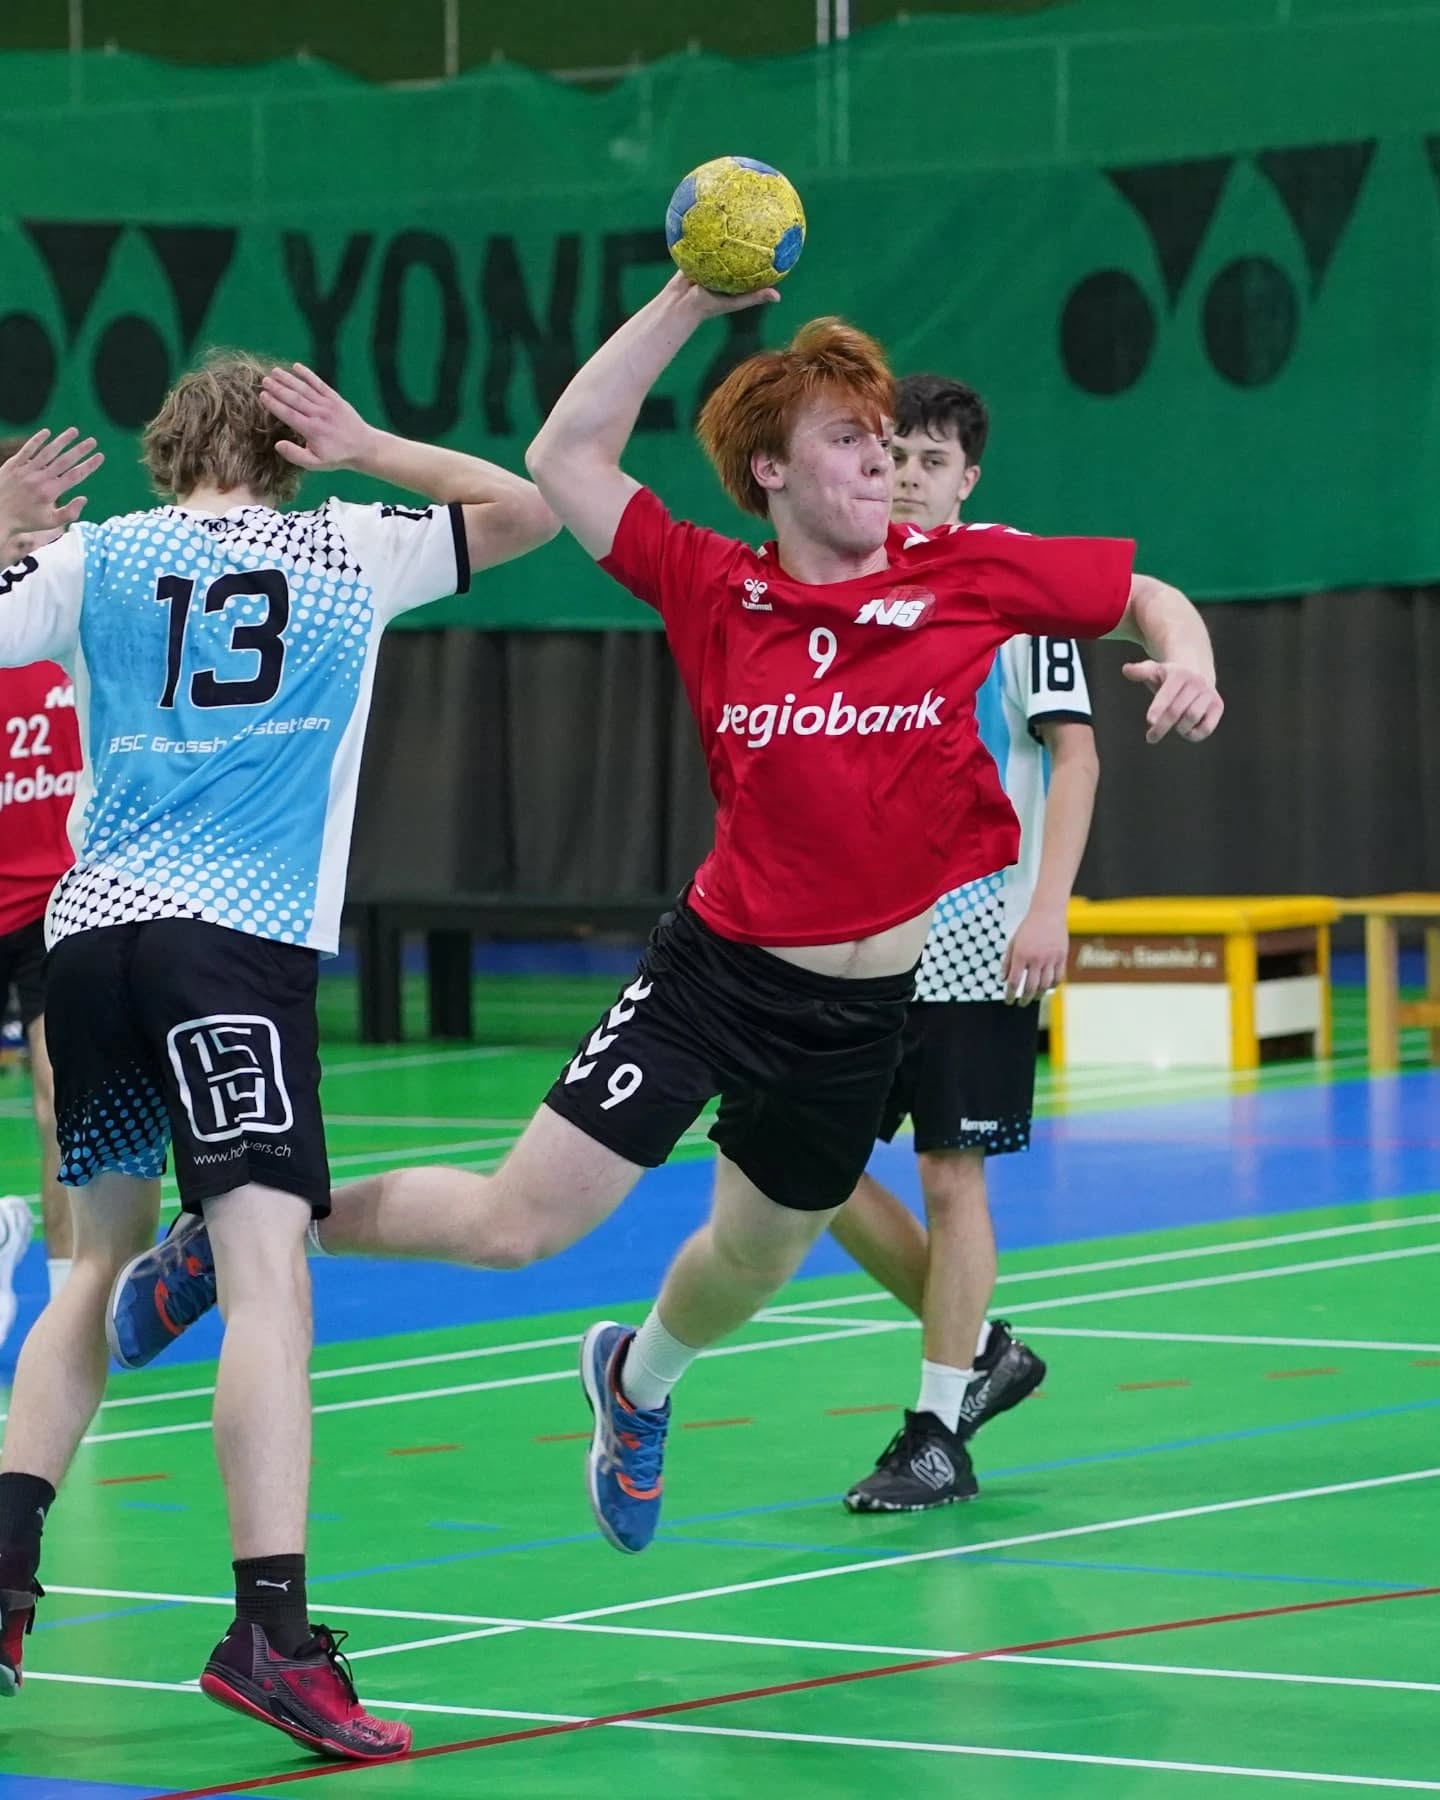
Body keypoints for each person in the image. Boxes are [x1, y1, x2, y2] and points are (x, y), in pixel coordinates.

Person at [108, 279, 1222, 1567]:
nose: (882, 463)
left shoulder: (961, 574)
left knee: (750, 1262)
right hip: (715, 979)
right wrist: (690, 300)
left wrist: (1187, 659)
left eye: (885, 439)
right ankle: (248, 1221)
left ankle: (633, 1385)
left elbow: (1148, 593)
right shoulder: (711, 586)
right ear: (770, 469)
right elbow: (560, 458)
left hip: (862, 1012)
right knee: (514, 1227)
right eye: (849, 441)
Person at [0, 355, 557, 1762]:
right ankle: (273, 1634)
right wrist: (373, 443)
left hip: (90, 950)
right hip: (230, 950)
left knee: (91, 1273)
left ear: (164, 448)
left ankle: (3, 1579)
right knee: (264, 1283)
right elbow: (531, 505)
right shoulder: (345, 544)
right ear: (291, 450)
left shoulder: (96, 553)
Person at [829, 375, 1099, 1512]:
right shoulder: (851, 580)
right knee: (802, 1165)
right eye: (890, 455)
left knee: (950, 1173)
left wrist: (1049, 904)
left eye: (930, 460)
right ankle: (981, 1345)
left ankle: (937, 1429)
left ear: (968, 477)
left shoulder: (1009, 581)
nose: (906, 477)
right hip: (857, 928)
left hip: (979, 928)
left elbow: (1073, 756)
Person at [0, 435, 94, 1337]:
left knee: (60, 1098)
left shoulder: (72, 623)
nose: (29, 559)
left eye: (41, 542)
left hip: (54, 905)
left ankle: (68, 1307)